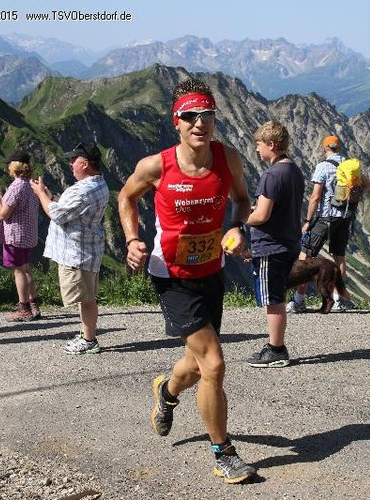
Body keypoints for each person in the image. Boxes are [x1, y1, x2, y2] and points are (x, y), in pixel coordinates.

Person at [117, 78, 256, 484]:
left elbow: (243, 200)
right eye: (190, 116)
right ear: (176, 121)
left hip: (211, 271)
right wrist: (131, 239)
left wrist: (237, 229)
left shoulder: (228, 158)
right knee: (214, 363)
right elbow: (126, 197)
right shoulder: (156, 166)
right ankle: (223, 452)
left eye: (207, 115)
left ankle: (166, 391)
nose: (200, 123)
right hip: (171, 275)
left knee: (196, 367)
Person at [30, 142, 109, 354]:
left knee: (85, 299)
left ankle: (89, 340)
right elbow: (69, 208)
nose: (70, 163)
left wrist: (40, 194)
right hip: (87, 249)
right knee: (87, 297)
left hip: (77, 253)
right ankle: (87, 336)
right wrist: (50, 195)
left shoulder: (84, 191)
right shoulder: (98, 184)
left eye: (74, 160)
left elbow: (57, 214)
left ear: (85, 164)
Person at [286, 135, 370, 313]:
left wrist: (308, 221)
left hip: (325, 217)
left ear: (325, 148)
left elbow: (316, 197)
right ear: (339, 148)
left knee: (306, 258)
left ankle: (298, 300)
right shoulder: (350, 166)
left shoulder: (323, 166)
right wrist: (356, 200)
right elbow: (368, 183)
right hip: (345, 217)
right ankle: (339, 300)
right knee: (339, 256)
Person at [246, 121, 304, 368]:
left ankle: (276, 349)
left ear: (271, 144)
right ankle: (275, 345)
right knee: (277, 296)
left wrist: (241, 218)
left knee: (273, 300)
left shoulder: (270, 176)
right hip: (289, 241)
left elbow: (262, 216)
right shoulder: (294, 171)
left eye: (259, 144)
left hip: (271, 245)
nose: (257, 150)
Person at [0, 150, 41, 322]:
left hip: (15, 235)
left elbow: (3, 214)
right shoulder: (31, 185)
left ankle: (23, 308)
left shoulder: (16, 186)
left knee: (19, 271)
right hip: (29, 233)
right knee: (26, 268)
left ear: (14, 167)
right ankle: (34, 305)